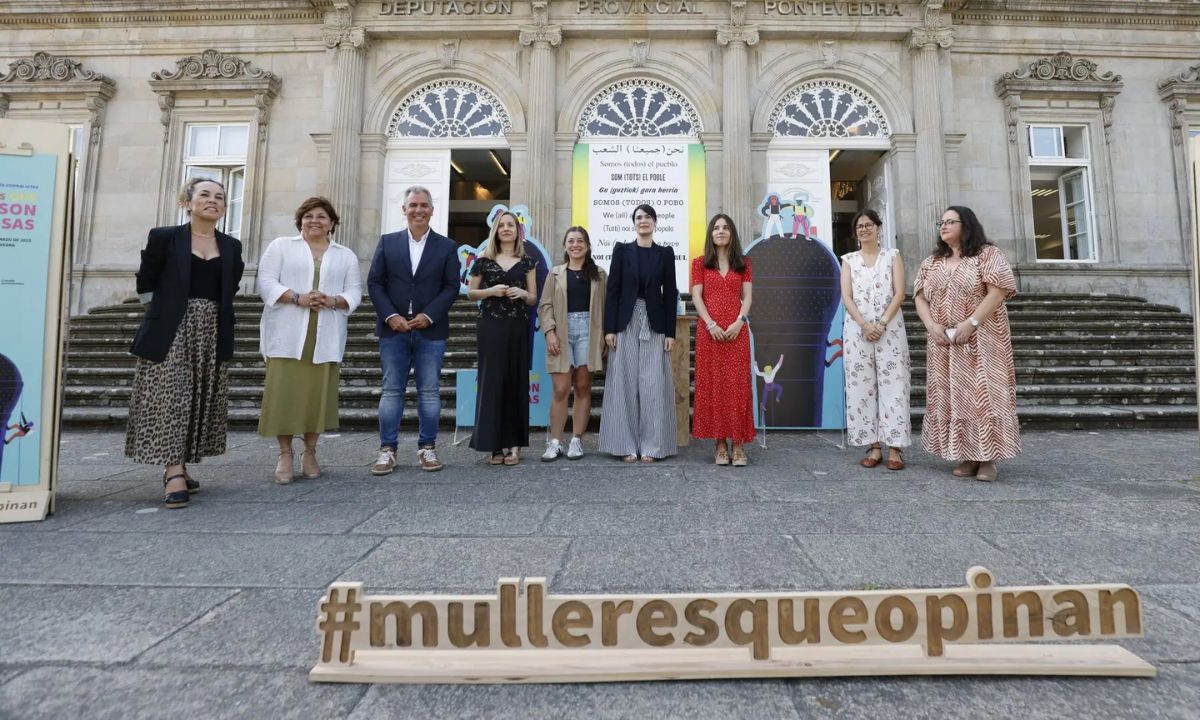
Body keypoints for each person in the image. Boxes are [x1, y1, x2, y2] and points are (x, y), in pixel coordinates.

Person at [125, 178, 245, 509]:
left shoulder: (231, 246)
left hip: (212, 329)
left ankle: (182, 463)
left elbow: (231, 285)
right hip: (172, 329)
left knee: (199, 399)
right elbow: (145, 282)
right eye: (204, 194)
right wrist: (162, 315)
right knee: (173, 397)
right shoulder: (165, 237)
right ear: (187, 202)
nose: (213, 200)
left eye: (220, 197)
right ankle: (173, 471)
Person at [256, 197, 362, 484]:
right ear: (300, 220)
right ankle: (285, 453)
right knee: (284, 396)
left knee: (317, 397)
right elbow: (265, 282)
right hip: (288, 333)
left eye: (322, 217)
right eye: (309, 216)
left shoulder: (345, 255)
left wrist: (332, 300)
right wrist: (297, 297)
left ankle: (311, 452)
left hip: (325, 332)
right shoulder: (281, 246)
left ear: (332, 223)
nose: (315, 221)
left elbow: (355, 292)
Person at [913, 206, 1021, 482]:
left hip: (982, 340)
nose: (943, 226)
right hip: (944, 344)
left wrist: (971, 322)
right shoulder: (933, 262)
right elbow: (919, 297)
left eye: (951, 221)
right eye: (941, 222)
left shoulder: (987, 255)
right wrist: (931, 326)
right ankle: (967, 454)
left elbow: (999, 290)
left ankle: (988, 459)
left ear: (967, 224)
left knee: (984, 395)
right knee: (954, 396)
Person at [367, 186, 460, 475]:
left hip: (429, 330)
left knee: (430, 392)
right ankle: (387, 450)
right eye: (413, 205)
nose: (419, 210)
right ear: (404, 209)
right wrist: (390, 315)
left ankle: (427, 448)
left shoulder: (446, 247)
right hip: (394, 328)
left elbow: (451, 286)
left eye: (424, 205)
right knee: (392, 390)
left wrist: (429, 315)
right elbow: (375, 283)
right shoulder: (387, 242)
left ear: (433, 210)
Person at [598, 204, 678, 463]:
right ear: (634, 223)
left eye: (648, 217)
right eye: (639, 217)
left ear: (655, 222)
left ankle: (653, 446)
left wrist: (670, 332)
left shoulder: (665, 254)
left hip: (654, 322)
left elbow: (670, 294)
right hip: (626, 321)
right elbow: (613, 291)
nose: (643, 221)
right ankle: (625, 445)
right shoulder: (622, 251)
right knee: (624, 382)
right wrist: (610, 328)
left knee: (653, 384)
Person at [840, 208, 911, 471]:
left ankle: (895, 447)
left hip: (889, 329)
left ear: (878, 227)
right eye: (859, 226)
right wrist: (864, 324)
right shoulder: (848, 259)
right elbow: (846, 296)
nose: (864, 229)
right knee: (862, 386)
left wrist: (880, 323)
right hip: (858, 330)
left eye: (869, 224)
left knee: (894, 384)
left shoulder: (892, 257)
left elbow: (900, 293)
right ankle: (873, 445)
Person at [465, 211, 538, 465]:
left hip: (518, 326)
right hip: (491, 326)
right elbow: (471, 294)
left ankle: (514, 445)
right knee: (492, 382)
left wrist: (522, 292)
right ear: (495, 230)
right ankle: (493, 445)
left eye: (511, 225)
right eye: (502, 225)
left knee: (516, 381)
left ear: (517, 231)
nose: (506, 229)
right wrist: (490, 291)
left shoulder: (527, 262)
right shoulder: (483, 261)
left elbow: (533, 298)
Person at [538, 226, 607, 462]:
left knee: (583, 387)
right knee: (560, 388)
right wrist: (550, 332)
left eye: (580, 241)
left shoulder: (599, 274)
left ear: (587, 246)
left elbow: (606, 307)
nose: (575, 244)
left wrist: (605, 336)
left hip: (589, 330)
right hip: (562, 330)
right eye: (571, 241)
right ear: (565, 246)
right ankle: (554, 442)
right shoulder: (555, 273)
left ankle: (576, 439)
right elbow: (545, 305)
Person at [691, 214, 755, 466]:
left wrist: (740, 321)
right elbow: (697, 297)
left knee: (738, 385)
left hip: (736, 331)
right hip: (711, 332)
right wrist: (710, 324)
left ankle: (738, 443)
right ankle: (719, 443)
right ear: (710, 233)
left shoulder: (744, 263)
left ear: (732, 233)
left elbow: (747, 296)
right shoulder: (700, 263)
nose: (720, 231)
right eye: (716, 228)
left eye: (725, 227)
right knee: (715, 387)